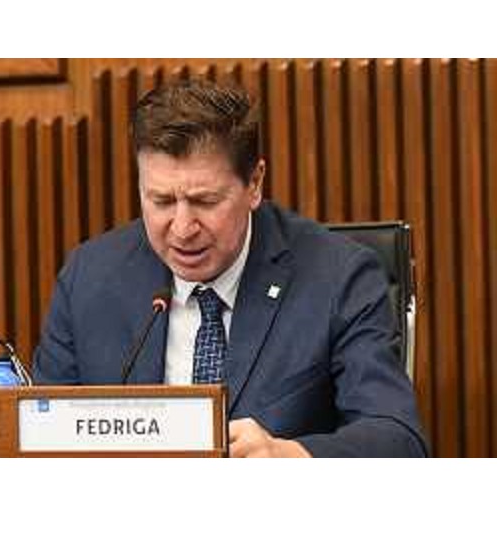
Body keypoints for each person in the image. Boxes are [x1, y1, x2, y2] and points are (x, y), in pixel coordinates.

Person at [33, 79, 427, 457]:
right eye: (162, 201)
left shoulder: (338, 277)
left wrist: (288, 455)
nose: (182, 228)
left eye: (205, 202)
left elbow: (398, 440)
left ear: (254, 183)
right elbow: (38, 438)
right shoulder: (89, 279)